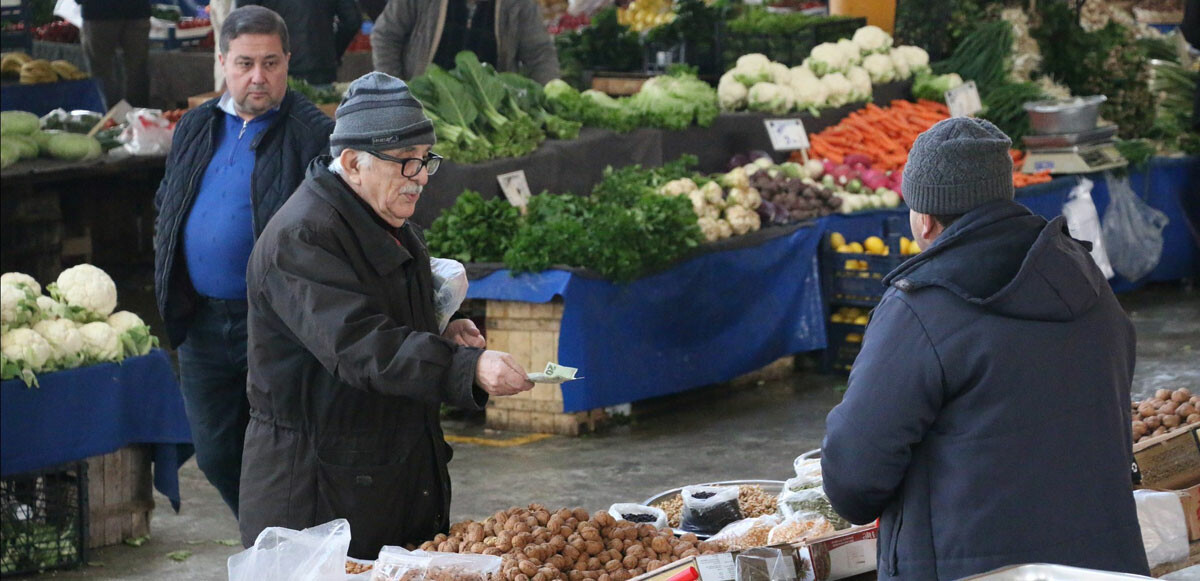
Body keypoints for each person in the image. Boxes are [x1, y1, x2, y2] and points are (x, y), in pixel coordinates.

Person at [820, 118, 1149, 580]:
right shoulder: (1084, 277)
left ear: (926, 217)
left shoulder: (921, 307)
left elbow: (853, 480)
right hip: (1101, 563)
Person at [238, 72, 535, 559]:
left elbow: (383, 320)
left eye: (426, 160)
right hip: (317, 497)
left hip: (380, 476)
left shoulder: (381, 217)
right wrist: (465, 368)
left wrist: (439, 328)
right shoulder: (302, 237)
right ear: (353, 163)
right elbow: (361, 346)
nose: (420, 176)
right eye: (406, 162)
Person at [153, 5, 334, 516]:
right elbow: (166, 204)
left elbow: (330, 230)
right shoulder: (195, 125)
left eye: (271, 63)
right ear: (223, 62)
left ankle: (290, 546)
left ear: (288, 62)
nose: (259, 76)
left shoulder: (313, 135)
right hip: (203, 321)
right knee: (213, 453)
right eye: (245, 63)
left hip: (275, 324)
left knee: (284, 451)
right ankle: (270, 536)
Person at [371, 0, 559, 84]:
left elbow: (539, 53)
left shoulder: (519, 4)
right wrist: (394, 90)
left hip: (490, 111)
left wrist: (550, 93)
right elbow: (386, 35)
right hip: (423, 107)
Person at [238, 0, 362, 85]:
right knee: (320, 119)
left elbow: (243, 22)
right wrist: (332, 52)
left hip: (272, 67)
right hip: (321, 65)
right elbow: (352, 21)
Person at [78, 0, 151, 107]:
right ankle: (138, 116)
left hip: (98, 11)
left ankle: (109, 117)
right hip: (137, 10)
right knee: (137, 70)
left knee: (101, 71)